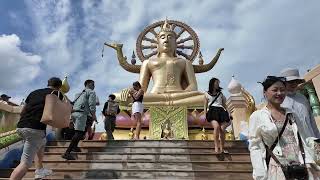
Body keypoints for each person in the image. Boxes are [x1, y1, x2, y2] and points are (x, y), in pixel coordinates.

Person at [248, 76, 320, 180]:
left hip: (301, 163)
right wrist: (260, 174)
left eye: (282, 90)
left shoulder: (291, 113)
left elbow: (304, 138)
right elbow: (255, 146)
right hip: (278, 166)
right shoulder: (257, 116)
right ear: (265, 92)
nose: (279, 93)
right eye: (275, 90)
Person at [10, 77, 63, 180]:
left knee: (42, 142)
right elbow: (58, 111)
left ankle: (39, 170)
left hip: (21, 126)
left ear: (48, 83)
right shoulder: (56, 93)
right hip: (35, 129)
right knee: (25, 164)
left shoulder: (33, 92)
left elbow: (22, 111)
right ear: (59, 87)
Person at [280, 68, 320, 141]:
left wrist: (318, 138)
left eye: (296, 81)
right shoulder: (280, 101)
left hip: (311, 139)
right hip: (295, 144)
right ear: (283, 83)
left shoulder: (302, 98)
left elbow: (312, 121)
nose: (294, 84)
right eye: (291, 82)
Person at [62, 80, 97, 160]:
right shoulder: (91, 92)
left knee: (81, 132)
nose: (94, 86)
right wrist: (94, 115)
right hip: (82, 114)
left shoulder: (78, 94)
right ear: (88, 84)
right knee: (79, 133)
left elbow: (74, 103)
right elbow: (92, 104)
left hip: (74, 113)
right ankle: (67, 152)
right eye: (93, 84)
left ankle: (75, 147)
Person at [205, 78, 231, 154]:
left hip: (221, 111)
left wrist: (229, 113)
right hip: (212, 111)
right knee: (216, 127)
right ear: (212, 83)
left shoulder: (221, 94)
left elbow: (224, 105)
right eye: (216, 83)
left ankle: (222, 148)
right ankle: (216, 147)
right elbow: (205, 105)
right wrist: (204, 114)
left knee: (222, 129)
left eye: (218, 83)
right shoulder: (206, 94)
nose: (218, 84)